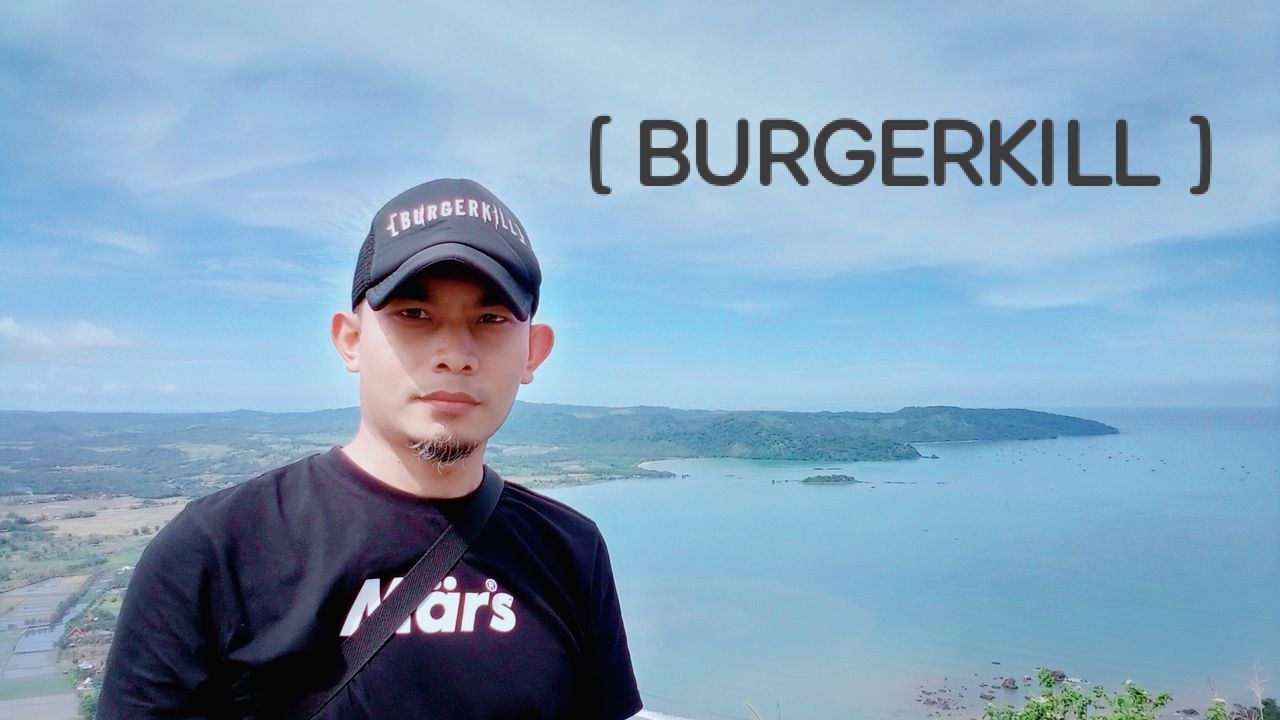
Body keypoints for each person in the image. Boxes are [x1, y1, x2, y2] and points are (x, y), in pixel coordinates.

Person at [97, 178, 644, 719]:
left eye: (491, 319)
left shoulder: (570, 550)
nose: (455, 353)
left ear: (533, 353)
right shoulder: (215, 551)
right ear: (351, 339)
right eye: (414, 314)